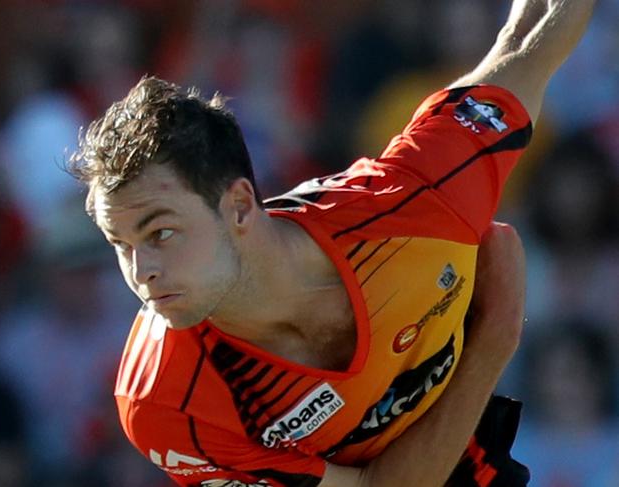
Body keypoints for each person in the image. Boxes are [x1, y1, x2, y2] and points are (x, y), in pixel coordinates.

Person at [67, 1, 595, 486]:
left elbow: (527, 47)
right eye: (120, 243)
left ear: (239, 207)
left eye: (161, 233)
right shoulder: (163, 403)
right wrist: (493, 340)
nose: (141, 271)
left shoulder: (414, 196)